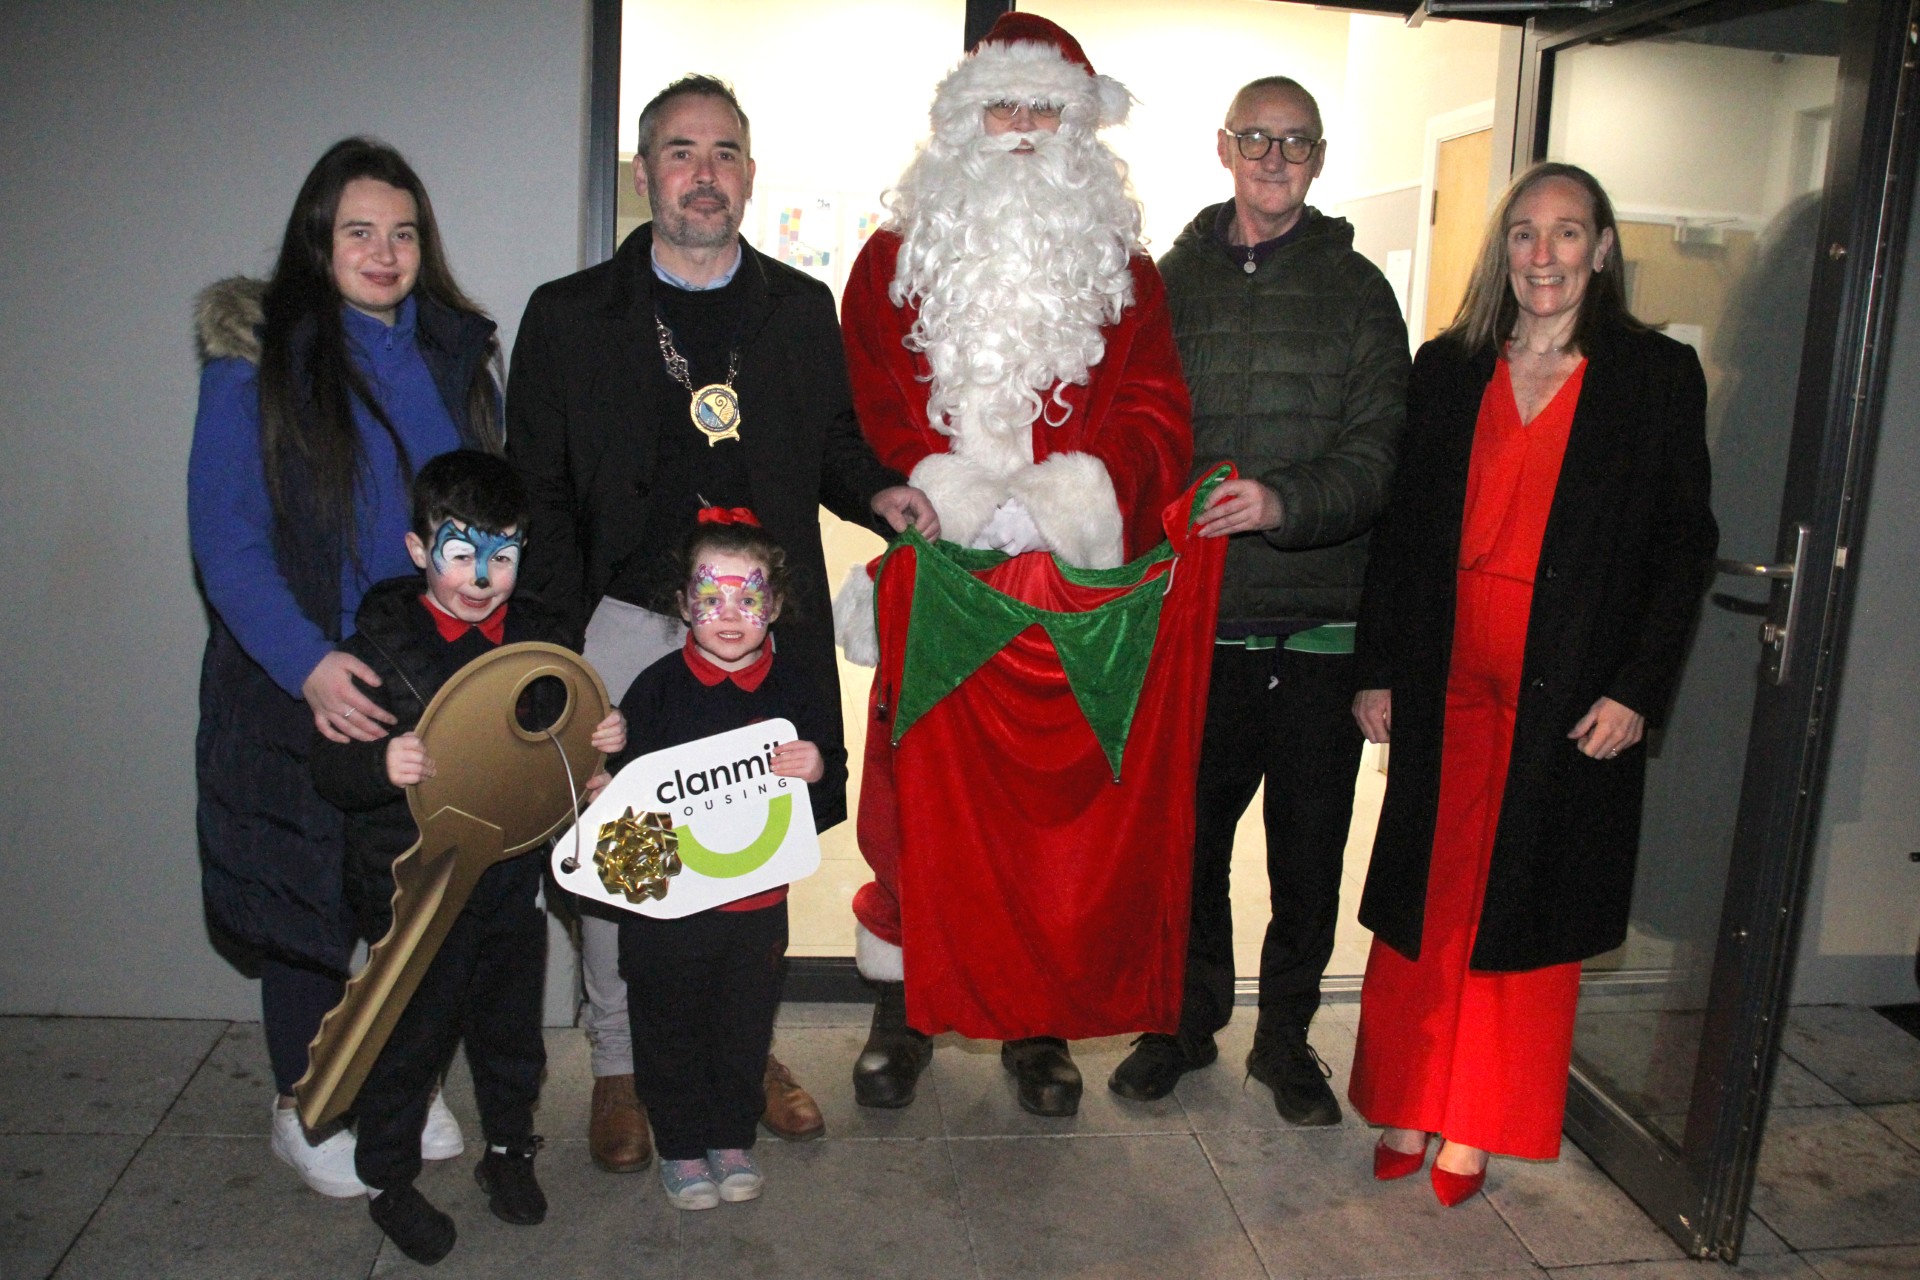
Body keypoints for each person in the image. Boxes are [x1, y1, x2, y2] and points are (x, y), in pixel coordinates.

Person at [507, 74, 937, 1171]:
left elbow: (832, 442)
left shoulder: (797, 308)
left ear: (750, 172)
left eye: (726, 152)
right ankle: (619, 1062)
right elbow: (541, 493)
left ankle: (744, 1052)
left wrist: (881, 489)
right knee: (622, 857)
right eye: (682, 152)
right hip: (624, 624)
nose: (705, 173)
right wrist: (551, 654)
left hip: (758, 632)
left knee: (749, 848)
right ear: (645, 172)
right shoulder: (567, 316)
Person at [837, 12, 1192, 1118]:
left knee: (1047, 808)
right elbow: (866, 401)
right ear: (962, 120)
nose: (1025, 130)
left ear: (1080, 128)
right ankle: (907, 1007)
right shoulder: (893, 261)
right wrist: (939, 484)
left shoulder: (1126, 270)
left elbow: (1157, 409)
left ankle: (1032, 1019)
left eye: (1046, 109)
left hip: (1061, 586)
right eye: (1005, 105)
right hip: (941, 570)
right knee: (911, 797)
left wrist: (1068, 499)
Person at [1347, 162, 1717, 1204]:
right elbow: (1403, 536)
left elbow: (1683, 547)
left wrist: (1640, 689)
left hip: (1572, 684)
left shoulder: (1653, 378)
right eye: (1522, 234)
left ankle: (1479, 1118)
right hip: (1444, 669)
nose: (1541, 255)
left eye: (1565, 233)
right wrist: (1376, 668)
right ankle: (1411, 1094)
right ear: (1501, 251)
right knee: (1432, 891)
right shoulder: (1448, 367)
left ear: (1602, 249)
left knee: (1528, 902)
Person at [189, 137, 502, 1198]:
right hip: (300, 675)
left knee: (412, 894)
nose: (384, 250)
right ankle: (305, 1099)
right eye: (358, 230)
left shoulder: (455, 354)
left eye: (403, 231)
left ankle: (398, 1076)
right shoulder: (257, 355)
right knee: (304, 893)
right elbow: (225, 543)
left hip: (428, 675)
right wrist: (311, 667)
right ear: (317, 240)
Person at [1107, 77, 1408, 1123]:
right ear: (1223, 146)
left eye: (1295, 142)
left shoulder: (1360, 292)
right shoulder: (1163, 286)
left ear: (1317, 158)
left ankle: (1284, 1042)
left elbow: (1382, 456)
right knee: (1183, 849)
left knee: (1308, 855)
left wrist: (1285, 501)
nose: (1274, 157)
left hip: (1320, 627)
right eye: (1256, 139)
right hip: (1195, 629)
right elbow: (1128, 436)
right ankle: (1183, 1025)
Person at [308, 451, 626, 1263]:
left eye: (504, 555)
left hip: (509, 882)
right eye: (462, 553)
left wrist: (601, 751)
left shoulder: (539, 642)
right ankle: (388, 1178)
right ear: (420, 551)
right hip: (413, 886)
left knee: (511, 1036)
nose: (483, 577)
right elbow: (327, 766)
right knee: (407, 1041)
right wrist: (381, 766)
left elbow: (556, 749)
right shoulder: (378, 645)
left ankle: (511, 1154)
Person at [611, 512, 836, 1211]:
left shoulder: (795, 687)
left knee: (744, 1030)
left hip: (756, 909)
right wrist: (608, 765)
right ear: (683, 605)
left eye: (749, 598)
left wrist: (816, 762)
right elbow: (624, 806)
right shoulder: (652, 689)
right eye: (711, 598)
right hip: (670, 916)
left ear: (774, 605)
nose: (730, 615)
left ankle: (732, 1137)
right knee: (668, 1027)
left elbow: (831, 764)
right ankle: (680, 1145)